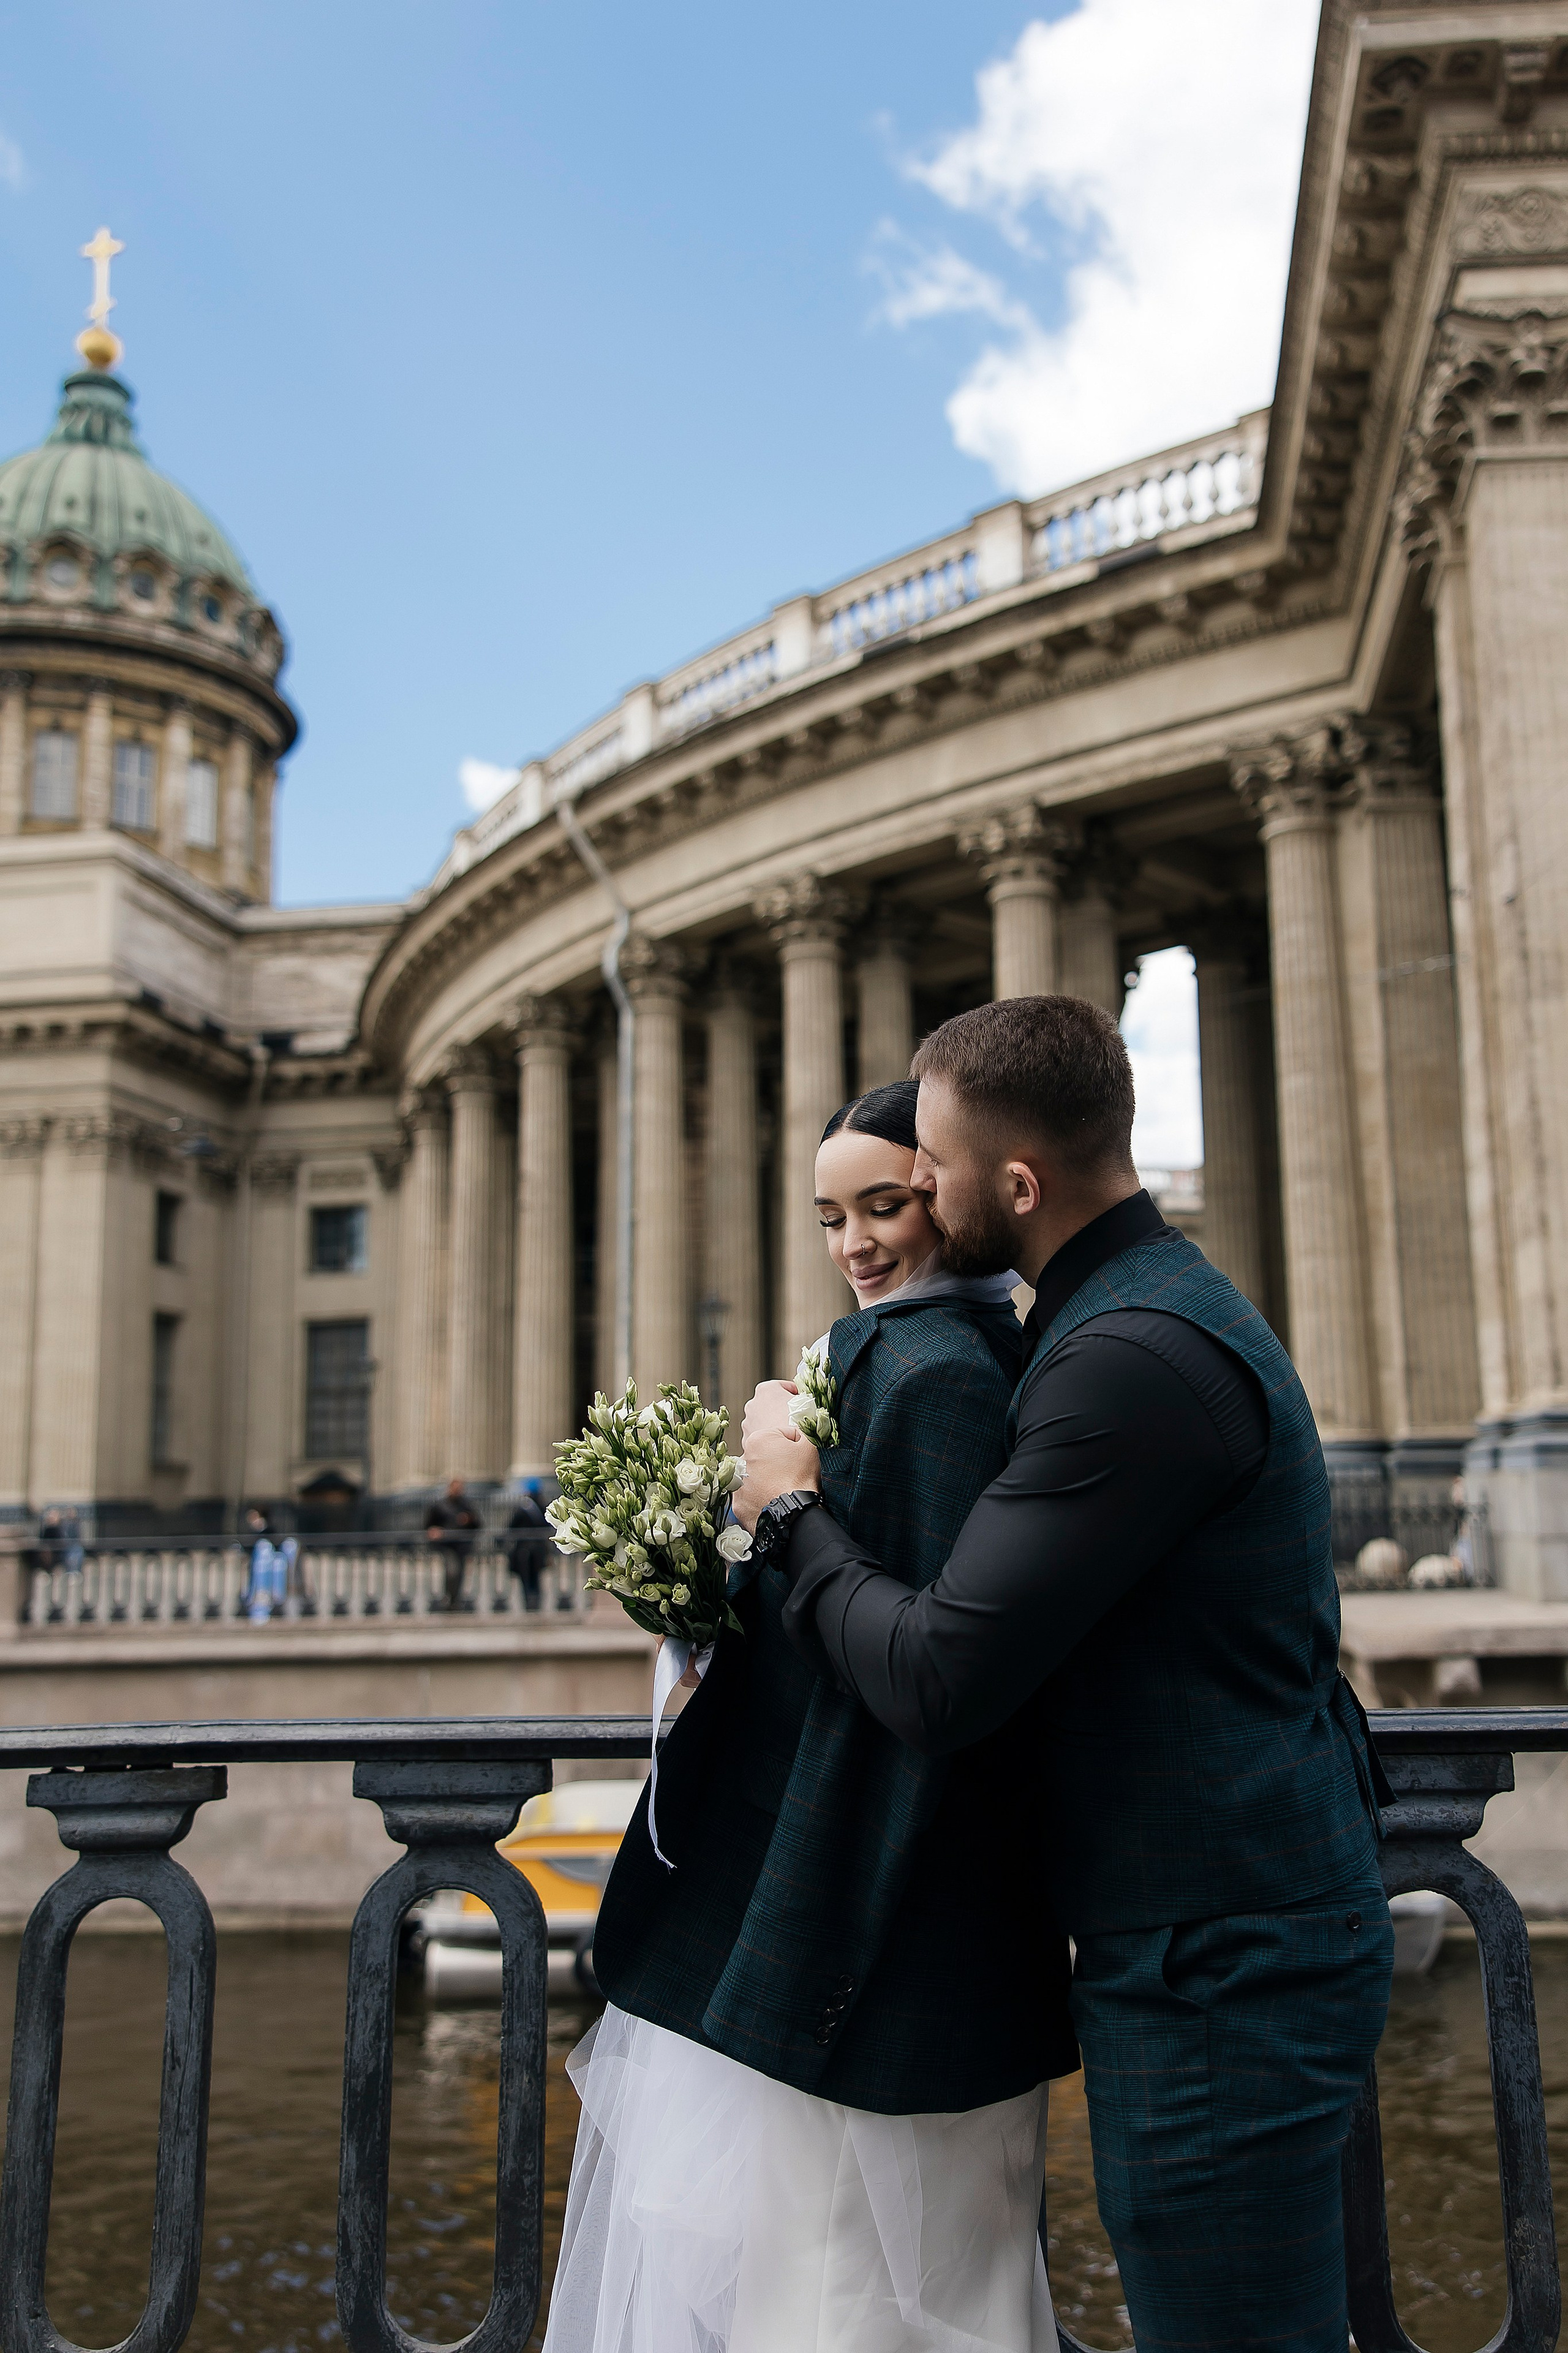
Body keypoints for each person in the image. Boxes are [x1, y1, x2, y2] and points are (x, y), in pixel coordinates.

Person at [736, 997, 1396, 2353]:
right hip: (1222, 1926)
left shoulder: (1120, 1360)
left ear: (1019, 1186)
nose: (918, 1189)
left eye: (931, 1166)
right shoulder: (1128, 1311)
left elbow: (939, 1675)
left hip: (1219, 1954)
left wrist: (788, 1512)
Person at [546, 1080, 1074, 2353]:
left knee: (844, 2290)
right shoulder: (942, 1353)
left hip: (873, 1937)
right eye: (831, 1218)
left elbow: (909, 1677)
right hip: (905, 1936)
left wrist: (772, 1520)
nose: (854, 1245)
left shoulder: (933, 1374)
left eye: (883, 1206)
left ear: (949, 1193)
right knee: (901, 2286)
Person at [425, 1475, 481, 1612]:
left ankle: (455, 1600)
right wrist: (434, 1532)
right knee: (452, 1571)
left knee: (461, 1573)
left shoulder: (466, 1506)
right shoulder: (440, 1506)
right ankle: (449, 1598)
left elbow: (478, 1524)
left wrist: (469, 1520)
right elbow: (429, 1525)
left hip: (462, 1546)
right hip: (447, 1545)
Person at [505, 1480, 549, 1611]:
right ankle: (536, 1601)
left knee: (526, 1578)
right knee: (536, 1577)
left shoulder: (523, 1507)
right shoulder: (542, 1506)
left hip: (523, 1549)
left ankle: (529, 1601)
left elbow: (511, 1527)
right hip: (539, 1548)